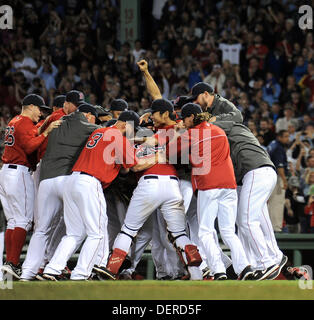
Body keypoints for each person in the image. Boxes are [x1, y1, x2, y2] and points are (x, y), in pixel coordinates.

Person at [42, 111, 156, 280]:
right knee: (97, 233)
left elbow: (118, 158)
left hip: (72, 181)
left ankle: (52, 269)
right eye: (131, 130)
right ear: (125, 125)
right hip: (90, 183)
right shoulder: (118, 138)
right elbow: (135, 166)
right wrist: (159, 158)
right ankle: (82, 273)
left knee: (74, 233)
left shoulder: (100, 131)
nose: (131, 133)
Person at [105, 100, 203, 281]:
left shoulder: (132, 144)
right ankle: (196, 274)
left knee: (128, 230)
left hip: (148, 183)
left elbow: (129, 169)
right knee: (179, 233)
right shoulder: (166, 135)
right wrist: (160, 156)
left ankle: (111, 271)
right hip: (173, 185)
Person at [167, 103, 253, 280]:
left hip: (209, 185)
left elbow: (169, 152)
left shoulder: (190, 134)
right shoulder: (219, 130)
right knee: (229, 231)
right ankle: (244, 268)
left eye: (184, 118)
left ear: (191, 117)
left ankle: (218, 270)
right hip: (229, 184)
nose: (182, 121)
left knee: (205, 231)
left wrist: (177, 132)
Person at [20, 104, 100, 281]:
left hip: (46, 182)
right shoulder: (88, 126)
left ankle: (28, 272)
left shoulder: (57, 122)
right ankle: (56, 267)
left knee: (41, 230)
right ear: (88, 115)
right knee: (76, 231)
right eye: (95, 117)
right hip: (66, 180)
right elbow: (107, 132)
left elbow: (37, 133)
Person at [214, 119, 288, 280]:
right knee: (257, 217)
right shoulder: (239, 137)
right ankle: (273, 256)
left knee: (246, 221)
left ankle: (267, 262)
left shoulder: (230, 129)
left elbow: (233, 115)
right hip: (261, 173)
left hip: (256, 173)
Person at [0, 94, 61, 279]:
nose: (41, 114)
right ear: (31, 106)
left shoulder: (14, 120)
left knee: (13, 220)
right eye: (39, 109)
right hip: (19, 172)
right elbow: (29, 147)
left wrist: (40, 129)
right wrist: (45, 132)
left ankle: (10, 264)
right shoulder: (24, 122)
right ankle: (12, 262)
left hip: (6, 171)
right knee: (23, 221)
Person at [267, 130, 290, 232]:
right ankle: (276, 228)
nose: (287, 139)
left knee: (270, 203)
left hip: (268, 176)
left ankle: (269, 226)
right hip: (276, 177)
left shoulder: (272, 144)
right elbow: (280, 166)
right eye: (285, 136)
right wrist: (284, 181)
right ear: (279, 137)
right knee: (277, 203)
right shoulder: (279, 148)